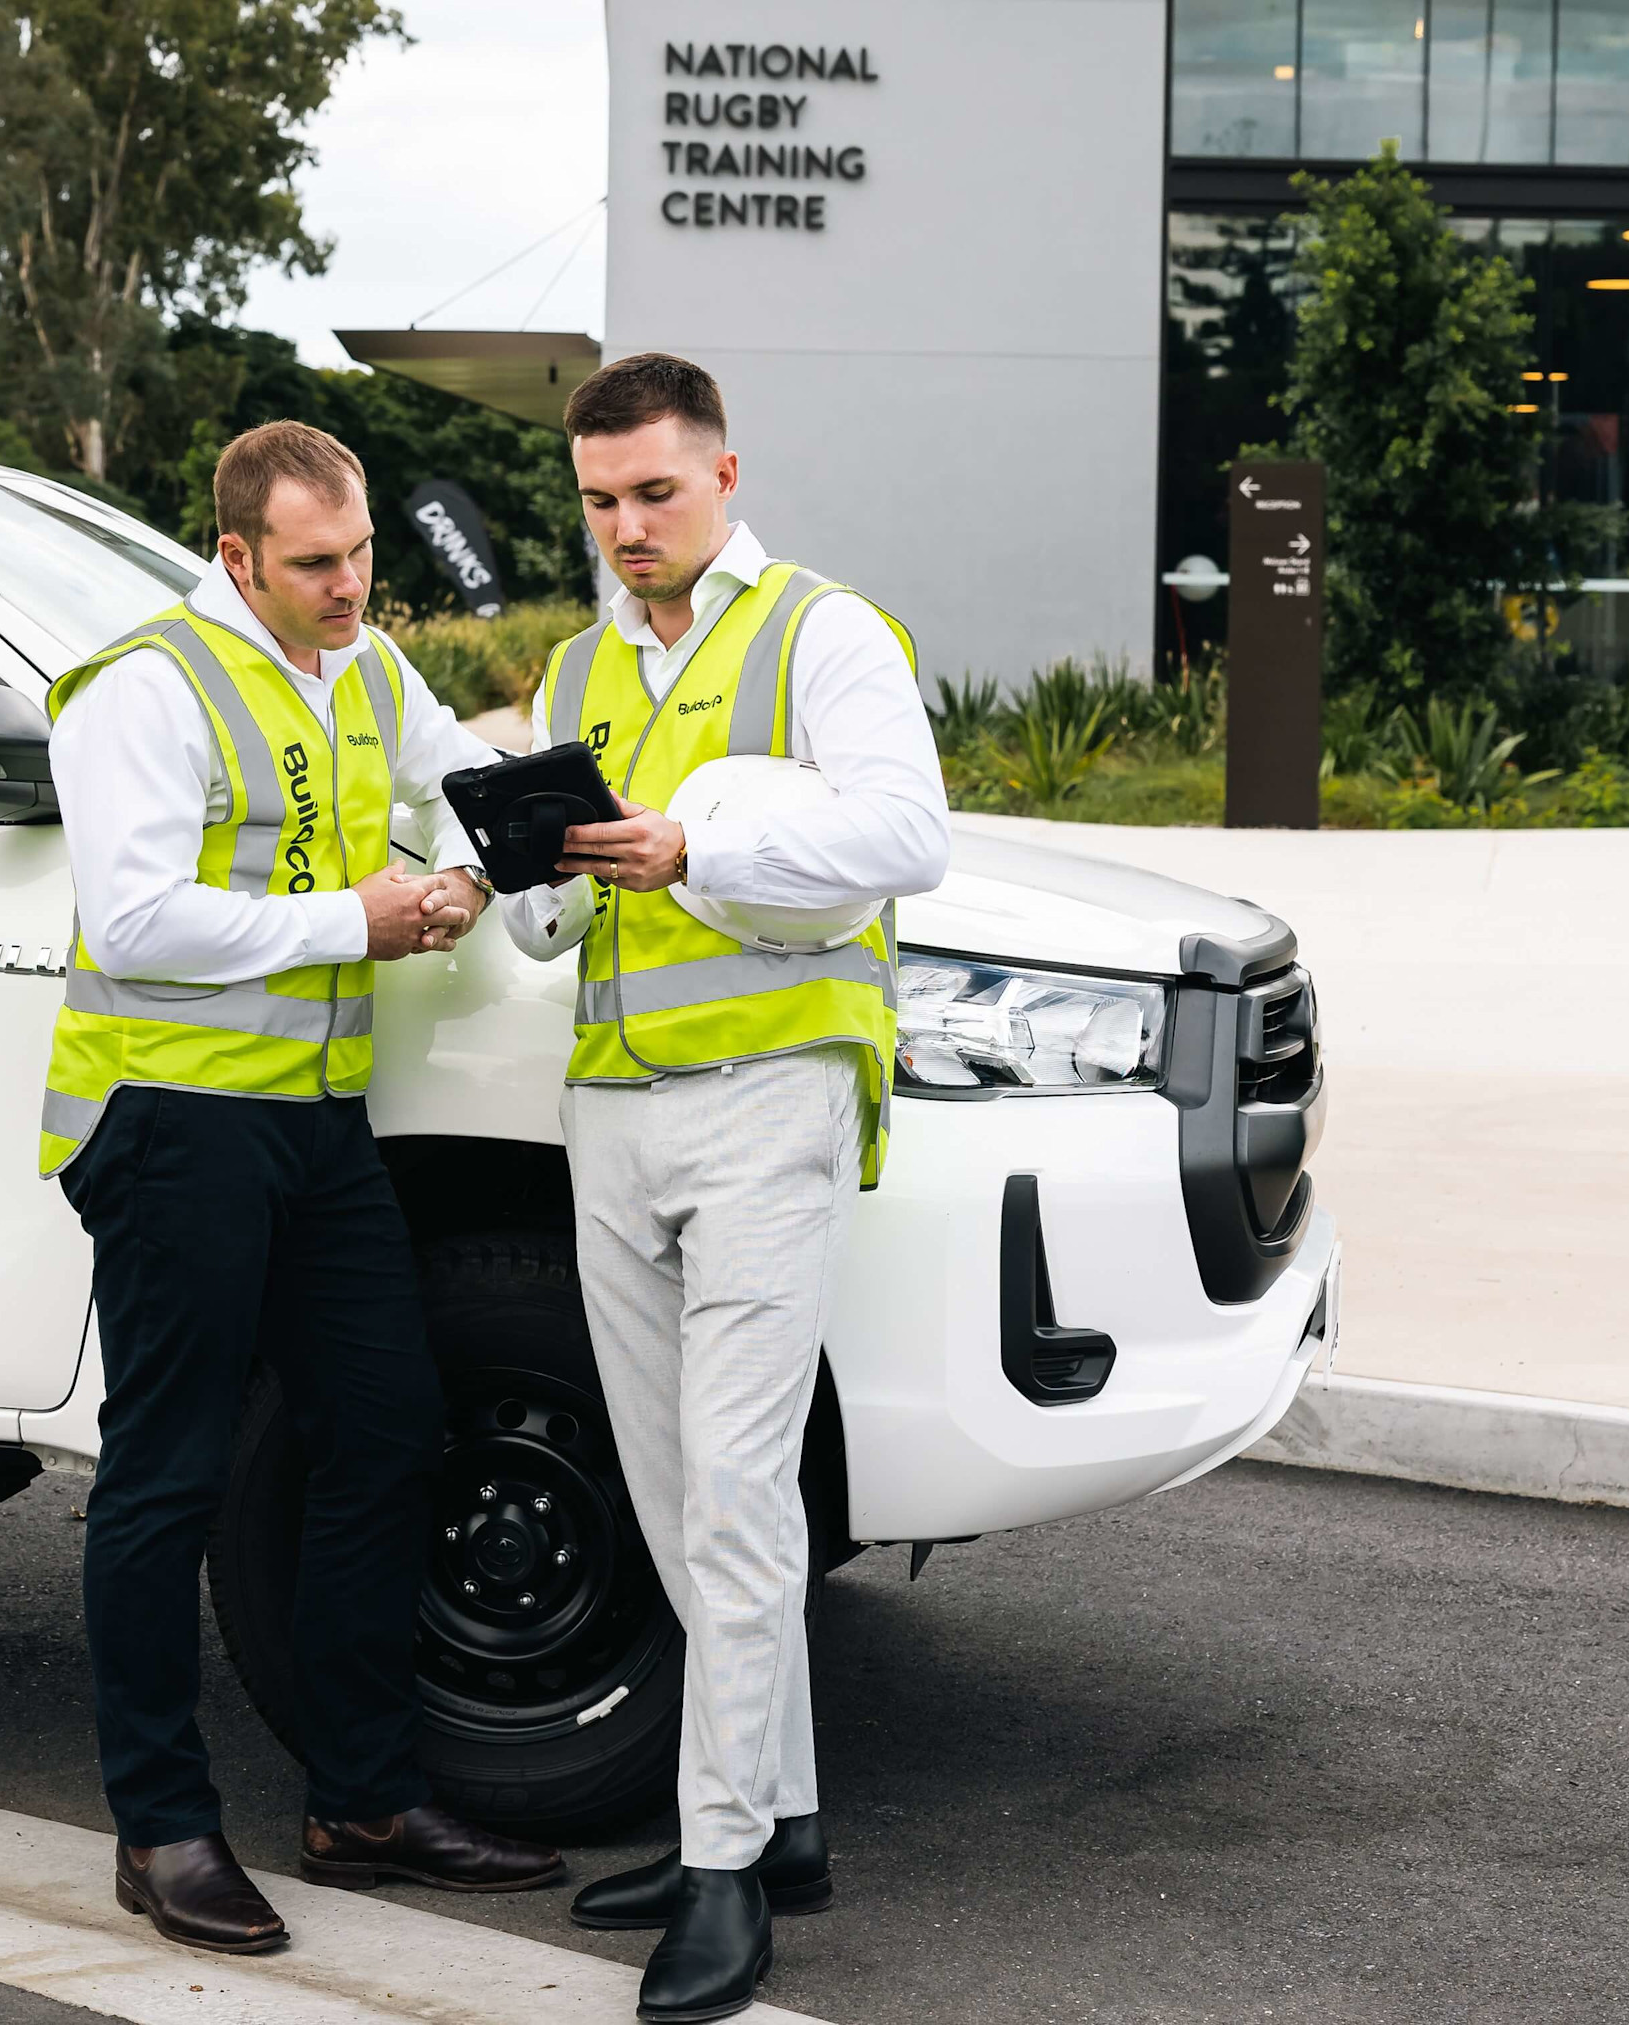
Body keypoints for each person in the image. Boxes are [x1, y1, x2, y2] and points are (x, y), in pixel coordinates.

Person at [40, 419, 564, 1955]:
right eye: (317, 565)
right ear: (236, 556)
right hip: (172, 1120)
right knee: (169, 1473)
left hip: (318, 1125)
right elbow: (135, 917)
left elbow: (468, 782)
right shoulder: (146, 685)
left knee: (387, 1431)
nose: (352, 590)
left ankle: (364, 1796)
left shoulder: (367, 668)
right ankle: (161, 1824)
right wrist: (364, 915)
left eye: (364, 559)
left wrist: (507, 868)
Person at [496, 354, 949, 2024]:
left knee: (743, 1496)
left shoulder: (824, 630)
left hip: (771, 1101)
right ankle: (789, 1822)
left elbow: (909, 837)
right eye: (602, 499)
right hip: (616, 1103)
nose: (626, 525)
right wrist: (519, 866)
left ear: (725, 474)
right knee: (682, 1490)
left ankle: (719, 1873)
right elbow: (552, 925)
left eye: (655, 493)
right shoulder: (575, 665)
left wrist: (699, 851)